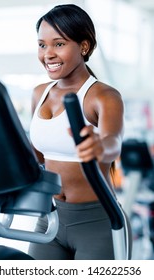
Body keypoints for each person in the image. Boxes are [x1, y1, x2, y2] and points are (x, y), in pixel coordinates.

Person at [28, 4, 132, 260]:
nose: (48, 54)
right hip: (49, 218)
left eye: (59, 44)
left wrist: (100, 146)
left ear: (83, 47)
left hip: (97, 221)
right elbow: (37, 158)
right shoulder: (39, 94)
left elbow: (113, 142)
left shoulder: (104, 96)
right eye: (42, 45)